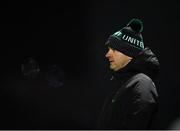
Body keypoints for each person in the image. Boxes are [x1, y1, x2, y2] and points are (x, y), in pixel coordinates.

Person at [97, 18, 160, 129]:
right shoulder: (124, 83)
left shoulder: (142, 84)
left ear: (129, 53)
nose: (107, 54)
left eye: (114, 49)